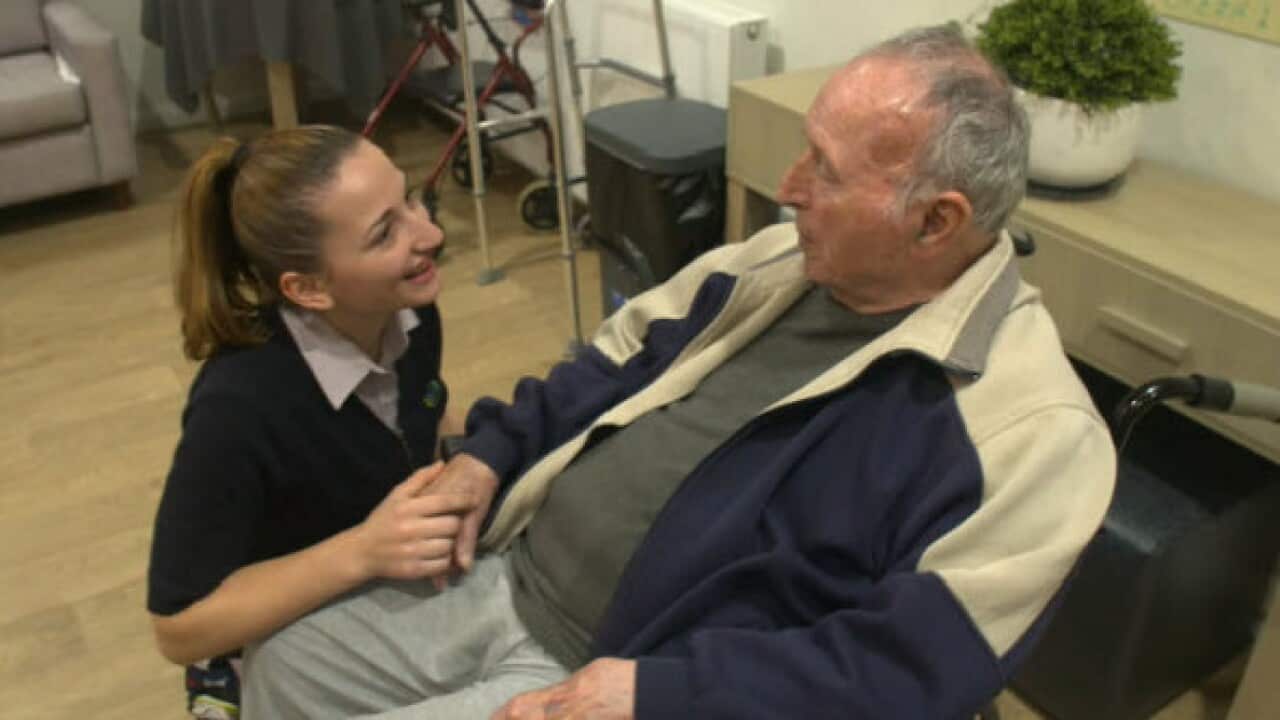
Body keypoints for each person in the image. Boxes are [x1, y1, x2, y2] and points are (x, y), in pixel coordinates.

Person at [242, 25, 1117, 719]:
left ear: (935, 223)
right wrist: (489, 456)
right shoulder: (775, 263)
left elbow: (911, 674)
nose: (789, 186)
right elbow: (606, 363)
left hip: (624, 675)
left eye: (828, 170)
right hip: (506, 567)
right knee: (280, 667)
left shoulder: (1030, 432)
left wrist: (660, 695)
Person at [146, 125, 475, 718]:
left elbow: (429, 405)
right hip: (269, 645)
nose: (430, 233)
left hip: (376, 598)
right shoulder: (238, 407)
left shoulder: (411, 312)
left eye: (411, 199)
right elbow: (179, 627)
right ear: (308, 288)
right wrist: (365, 551)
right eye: (386, 232)